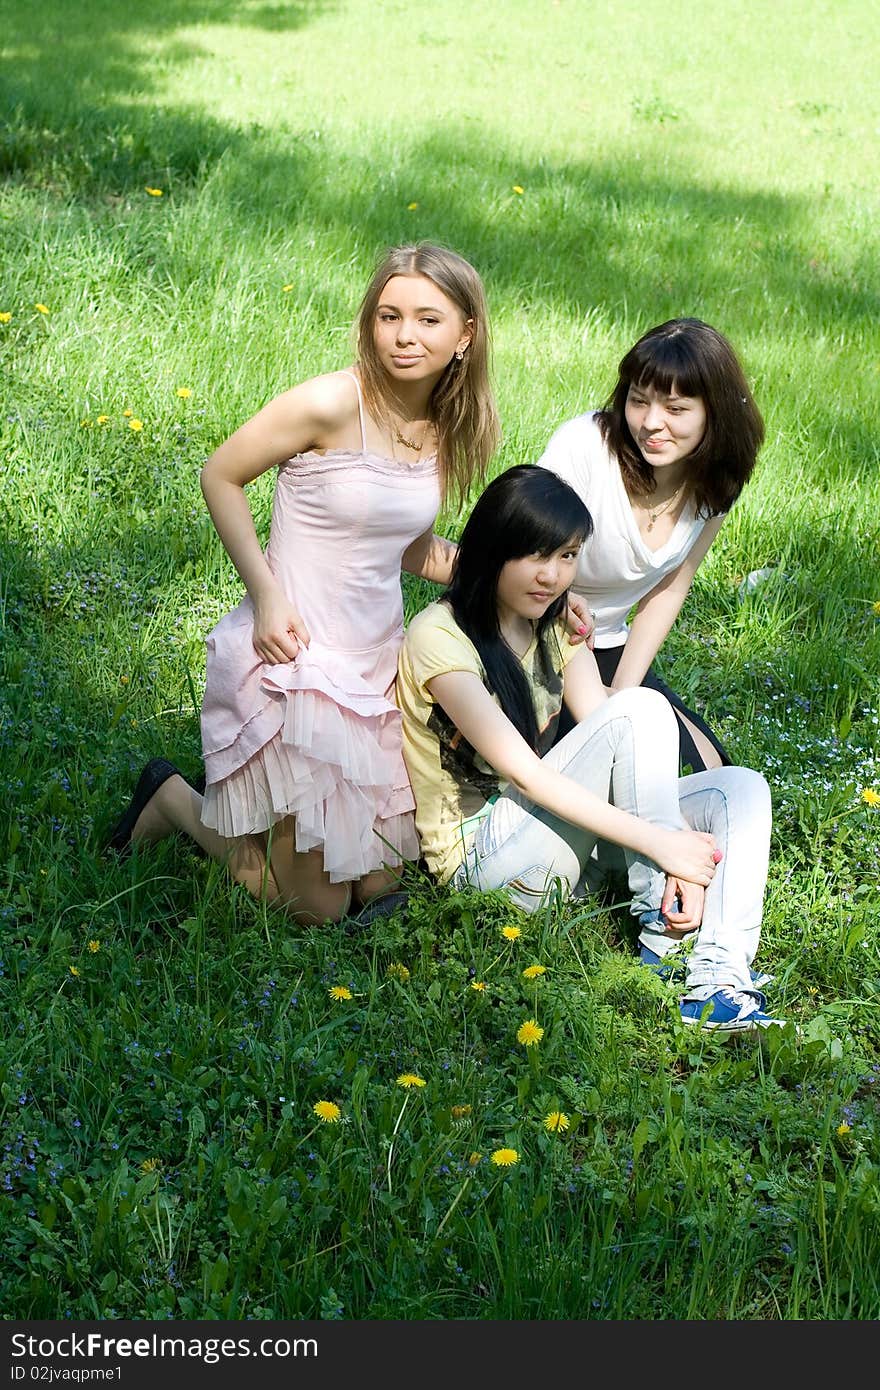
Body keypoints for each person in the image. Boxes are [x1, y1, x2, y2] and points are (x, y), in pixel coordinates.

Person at [106, 242, 500, 924]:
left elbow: (408, 550)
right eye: (389, 315)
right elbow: (219, 475)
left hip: (376, 660)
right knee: (314, 909)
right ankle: (172, 798)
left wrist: (521, 583)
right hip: (297, 656)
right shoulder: (329, 402)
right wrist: (265, 595)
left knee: (377, 883)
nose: (404, 335)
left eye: (428, 320)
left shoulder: (442, 427)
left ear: (465, 335)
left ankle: (281, 836)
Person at [396, 465, 782, 1031]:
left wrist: (666, 833)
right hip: (486, 870)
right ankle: (660, 933)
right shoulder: (440, 637)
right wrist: (663, 844)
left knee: (739, 790)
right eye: (536, 556)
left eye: (569, 556)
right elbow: (526, 775)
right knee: (642, 706)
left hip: (560, 846)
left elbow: (611, 727)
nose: (552, 576)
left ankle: (718, 979)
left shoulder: (551, 623)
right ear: (493, 549)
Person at [536, 318, 764, 773]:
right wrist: (602, 707)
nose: (650, 424)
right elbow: (525, 568)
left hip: (607, 647)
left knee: (710, 769)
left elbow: (672, 587)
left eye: (676, 409)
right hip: (534, 632)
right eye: (639, 402)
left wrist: (623, 691)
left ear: (714, 413)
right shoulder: (584, 448)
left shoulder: (717, 482)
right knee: (604, 773)